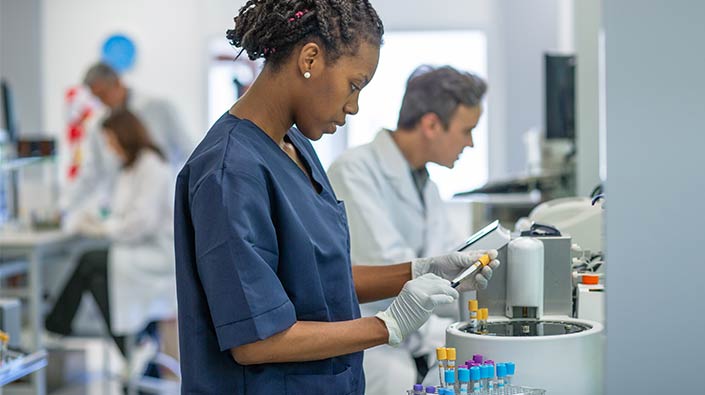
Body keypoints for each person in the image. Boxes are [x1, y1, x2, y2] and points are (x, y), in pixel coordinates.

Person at [173, 1, 499, 393]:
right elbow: (255, 339)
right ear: (310, 58)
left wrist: (418, 271)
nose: (354, 107)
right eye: (354, 84)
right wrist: (386, 326)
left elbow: (317, 281)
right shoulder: (230, 171)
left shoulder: (294, 147)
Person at [327, 66, 489, 393]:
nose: (470, 143)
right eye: (466, 130)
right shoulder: (355, 170)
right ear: (431, 124)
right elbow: (392, 267)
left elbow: (448, 262)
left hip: (415, 344)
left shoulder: (426, 185)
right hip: (375, 352)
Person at [46, 110, 177, 375]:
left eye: (110, 140)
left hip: (155, 256)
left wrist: (101, 230)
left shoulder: (152, 166)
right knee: (96, 278)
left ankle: (54, 327)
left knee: (89, 261)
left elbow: (141, 222)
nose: (109, 147)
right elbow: (118, 211)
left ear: (125, 135)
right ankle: (136, 348)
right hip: (134, 251)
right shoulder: (129, 168)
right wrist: (96, 219)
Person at [61, 62, 196, 227]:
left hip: (159, 213)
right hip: (120, 215)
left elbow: (190, 154)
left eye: (103, 94)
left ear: (117, 82)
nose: (102, 102)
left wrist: (191, 200)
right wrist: (64, 206)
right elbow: (91, 172)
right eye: (96, 98)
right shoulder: (98, 124)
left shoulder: (158, 108)